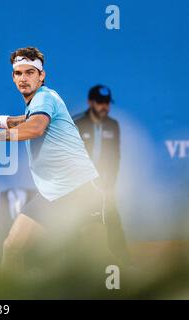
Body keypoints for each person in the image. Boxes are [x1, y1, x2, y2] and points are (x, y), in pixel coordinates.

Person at [0, 47, 105, 275]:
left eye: (30, 72)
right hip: (53, 195)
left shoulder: (45, 97)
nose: (23, 78)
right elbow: (28, 119)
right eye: (18, 74)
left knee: (91, 265)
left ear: (42, 76)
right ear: (13, 77)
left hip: (79, 193)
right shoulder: (40, 103)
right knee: (13, 246)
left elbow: (36, 127)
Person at [73, 85, 132, 266]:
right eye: (100, 102)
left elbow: (115, 158)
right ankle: (72, 264)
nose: (104, 107)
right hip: (79, 185)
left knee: (113, 220)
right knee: (72, 224)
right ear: (90, 102)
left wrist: (109, 187)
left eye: (106, 103)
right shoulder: (76, 124)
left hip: (102, 185)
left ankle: (124, 263)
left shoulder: (113, 126)